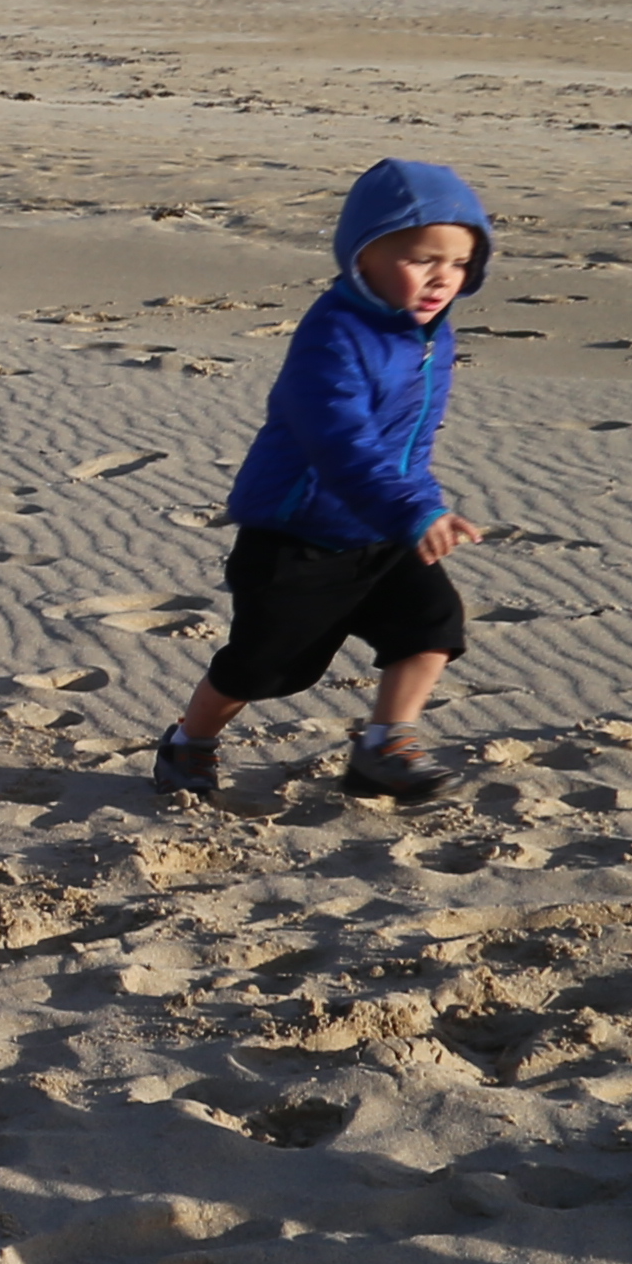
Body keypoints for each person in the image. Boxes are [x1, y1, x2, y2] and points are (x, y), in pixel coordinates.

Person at [158, 157, 492, 807]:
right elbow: (341, 440)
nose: (441, 278)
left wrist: (421, 505)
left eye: (458, 263)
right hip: (297, 531)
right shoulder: (335, 336)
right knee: (264, 666)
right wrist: (407, 507)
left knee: (432, 624)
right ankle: (189, 743)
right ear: (362, 256)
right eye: (421, 258)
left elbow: (413, 441)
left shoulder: (432, 336)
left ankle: (386, 743)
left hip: (386, 527)